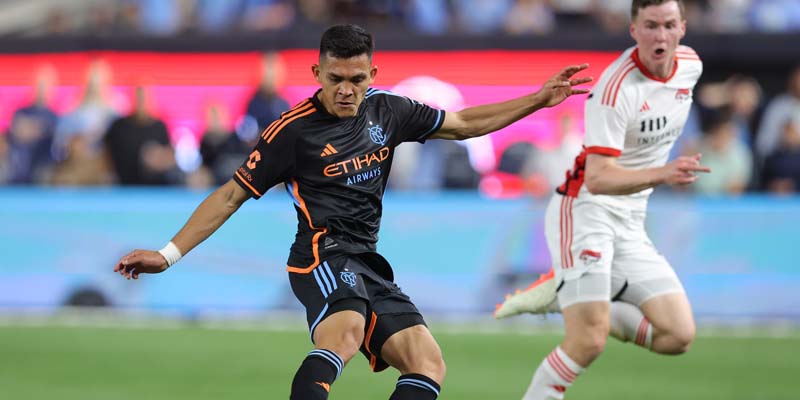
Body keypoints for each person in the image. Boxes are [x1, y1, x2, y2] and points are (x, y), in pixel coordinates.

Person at [113, 24, 591, 399]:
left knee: (427, 362)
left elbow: (463, 123)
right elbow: (230, 195)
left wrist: (538, 99)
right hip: (319, 255)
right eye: (336, 78)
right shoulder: (290, 132)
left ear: (372, 76)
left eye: (357, 79)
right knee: (346, 333)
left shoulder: (389, 111)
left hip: (367, 260)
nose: (346, 89)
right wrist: (168, 254)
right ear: (317, 73)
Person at [494, 1, 709, 399]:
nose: (659, 36)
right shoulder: (614, 90)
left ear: (682, 27)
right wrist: (663, 174)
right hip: (584, 210)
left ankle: (571, 297)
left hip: (630, 217)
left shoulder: (691, 66)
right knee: (587, 341)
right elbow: (598, 178)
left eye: (667, 25)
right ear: (633, 30)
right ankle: (581, 304)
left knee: (678, 335)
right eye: (649, 26)